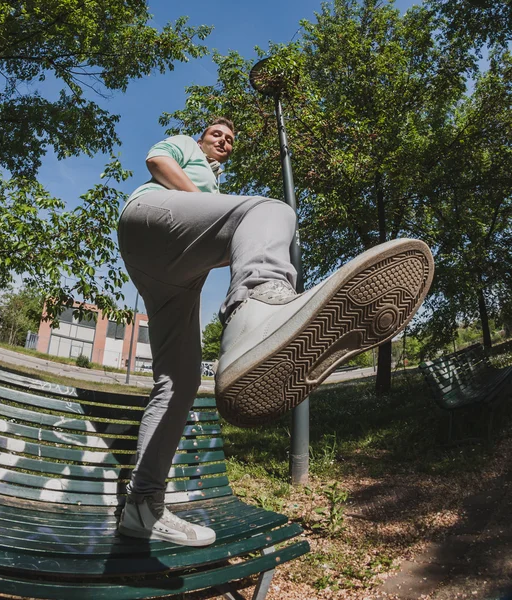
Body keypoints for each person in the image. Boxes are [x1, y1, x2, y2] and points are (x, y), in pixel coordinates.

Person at [117, 118, 434, 547]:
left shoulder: (215, 180)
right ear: (200, 138)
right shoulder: (183, 147)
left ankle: (142, 504)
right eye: (217, 135)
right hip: (149, 217)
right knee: (269, 210)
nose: (223, 141)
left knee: (180, 381)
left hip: (169, 276)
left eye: (230, 140)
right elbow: (155, 162)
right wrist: (219, 211)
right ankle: (257, 306)